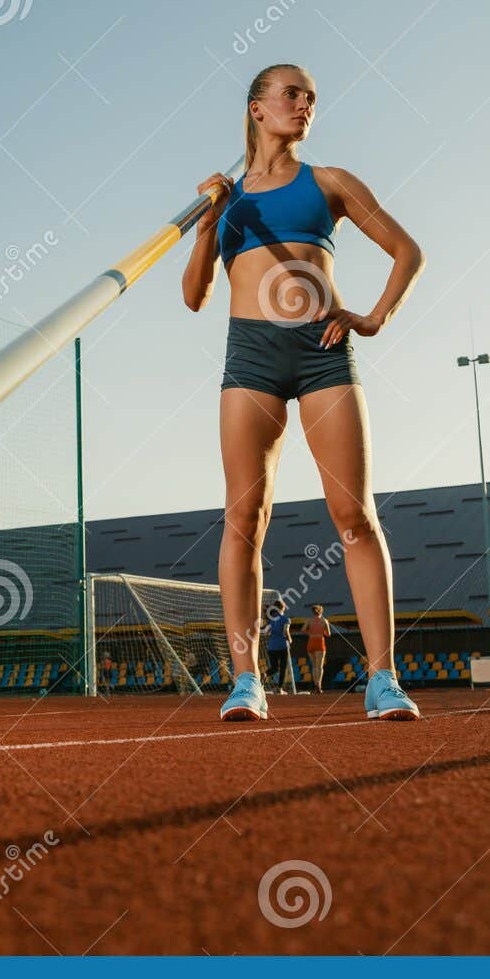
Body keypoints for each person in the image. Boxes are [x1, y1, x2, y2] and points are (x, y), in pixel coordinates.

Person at [184, 63, 423, 723]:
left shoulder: (331, 183)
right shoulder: (226, 200)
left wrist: (373, 317)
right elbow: (194, 295)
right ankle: (246, 680)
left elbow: (407, 250)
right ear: (257, 108)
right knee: (244, 521)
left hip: (322, 356)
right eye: (291, 93)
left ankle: (382, 679)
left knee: (354, 517)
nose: (304, 104)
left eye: (311, 97)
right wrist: (207, 225)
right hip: (251, 359)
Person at [264, 600, 292, 695]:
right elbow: (285, 631)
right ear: (283, 608)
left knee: (274, 668)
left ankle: (265, 674)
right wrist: (290, 639)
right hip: (282, 645)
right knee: (283, 668)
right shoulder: (285, 619)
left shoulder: (271, 619)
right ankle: (279, 688)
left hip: (271, 646)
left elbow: (266, 633)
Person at [305, 603, 331, 693]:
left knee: (314, 666)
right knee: (319, 666)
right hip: (320, 641)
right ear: (321, 611)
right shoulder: (324, 621)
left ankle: (316, 684)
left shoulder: (309, 620)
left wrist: (310, 633)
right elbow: (328, 634)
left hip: (311, 641)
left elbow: (303, 629)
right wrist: (322, 630)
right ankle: (318, 684)